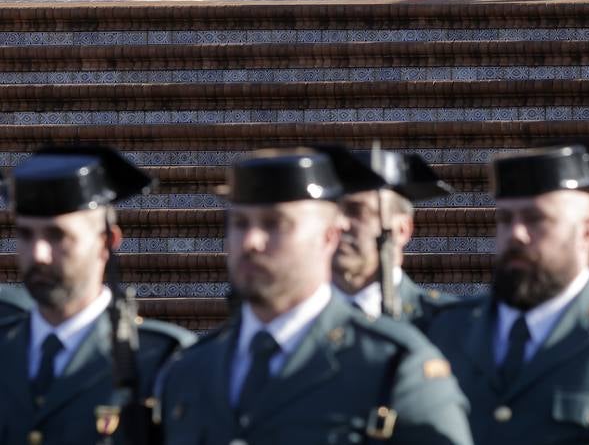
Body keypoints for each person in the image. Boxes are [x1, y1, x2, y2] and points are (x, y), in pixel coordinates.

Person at [162, 147, 474, 445]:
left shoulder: (395, 366)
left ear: (329, 237)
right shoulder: (190, 369)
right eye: (240, 224)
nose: (252, 242)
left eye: (275, 224)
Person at [425, 137, 589, 445]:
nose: (516, 234)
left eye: (537, 219)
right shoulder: (445, 329)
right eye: (505, 219)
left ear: (588, 232)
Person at [0, 146, 195, 445]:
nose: (38, 254)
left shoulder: (161, 360)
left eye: (57, 236)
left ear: (107, 241)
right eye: (26, 235)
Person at [333, 149, 455, 329]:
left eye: (356, 211)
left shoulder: (445, 323)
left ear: (402, 230)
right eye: (331, 211)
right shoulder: (297, 324)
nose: (339, 223)